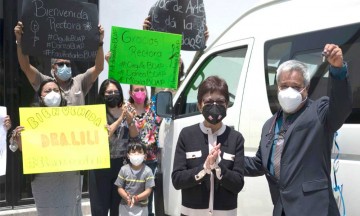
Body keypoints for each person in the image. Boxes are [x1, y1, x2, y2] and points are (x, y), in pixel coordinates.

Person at [244, 44, 352, 216]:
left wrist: (337, 70)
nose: (289, 91)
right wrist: (225, 158)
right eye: (284, 86)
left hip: (313, 209)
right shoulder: (269, 124)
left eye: (295, 86)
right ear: (277, 88)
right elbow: (259, 163)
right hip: (282, 209)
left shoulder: (319, 112)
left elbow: (341, 107)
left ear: (306, 89)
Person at [9, 79, 87, 216]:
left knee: (69, 211)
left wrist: (99, 131)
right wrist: (18, 138)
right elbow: (23, 150)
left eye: (56, 90)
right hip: (43, 178)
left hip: (69, 175)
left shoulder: (74, 117)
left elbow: (85, 139)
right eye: (48, 91)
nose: (53, 94)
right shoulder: (31, 119)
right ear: (40, 96)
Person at [171, 75, 245, 215]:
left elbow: (238, 184)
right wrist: (204, 169)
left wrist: (218, 167)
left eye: (220, 102)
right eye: (209, 102)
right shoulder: (187, 135)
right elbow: (177, 180)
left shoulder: (236, 138)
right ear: (199, 105)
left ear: (227, 105)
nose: (215, 106)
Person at [14, 21, 104, 106]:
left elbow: (99, 68)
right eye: (61, 64)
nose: (65, 66)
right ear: (53, 67)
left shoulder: (79, 81)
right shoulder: (45, 83)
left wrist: (100, 43)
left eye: (68, 64)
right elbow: (25, 67)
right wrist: (20, 41)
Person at [89, 79, 138, 216]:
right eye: (109, 92)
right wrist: (121, 118)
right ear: (103, 95)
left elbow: (134, 136)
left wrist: (130, 120)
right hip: (100, 165)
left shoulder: (127, 109)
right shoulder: (98, 113)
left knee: (118, 208)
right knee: (100, 208)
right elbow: (106, 135)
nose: (113, 94)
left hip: (120, 166)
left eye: (116, 92)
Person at [126, 85, 161, 216]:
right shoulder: (126, 109)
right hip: (133, 162)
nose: (140, 92)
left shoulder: (153, 107)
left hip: (151, 161)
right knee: (132, 199)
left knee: (148, 199)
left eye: (142, 89)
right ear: (130, 92)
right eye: (136, 90)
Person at [115, 142, 155, 216]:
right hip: (125, 207)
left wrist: (136, 198)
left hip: (142, 208)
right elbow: (119, 188)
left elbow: (148, 191)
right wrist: (127, 197)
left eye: (140, 152)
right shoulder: (123, 169)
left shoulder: (148, 171)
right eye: (133, 152)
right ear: (128, 156)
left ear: (145, 156)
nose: (136, 154)